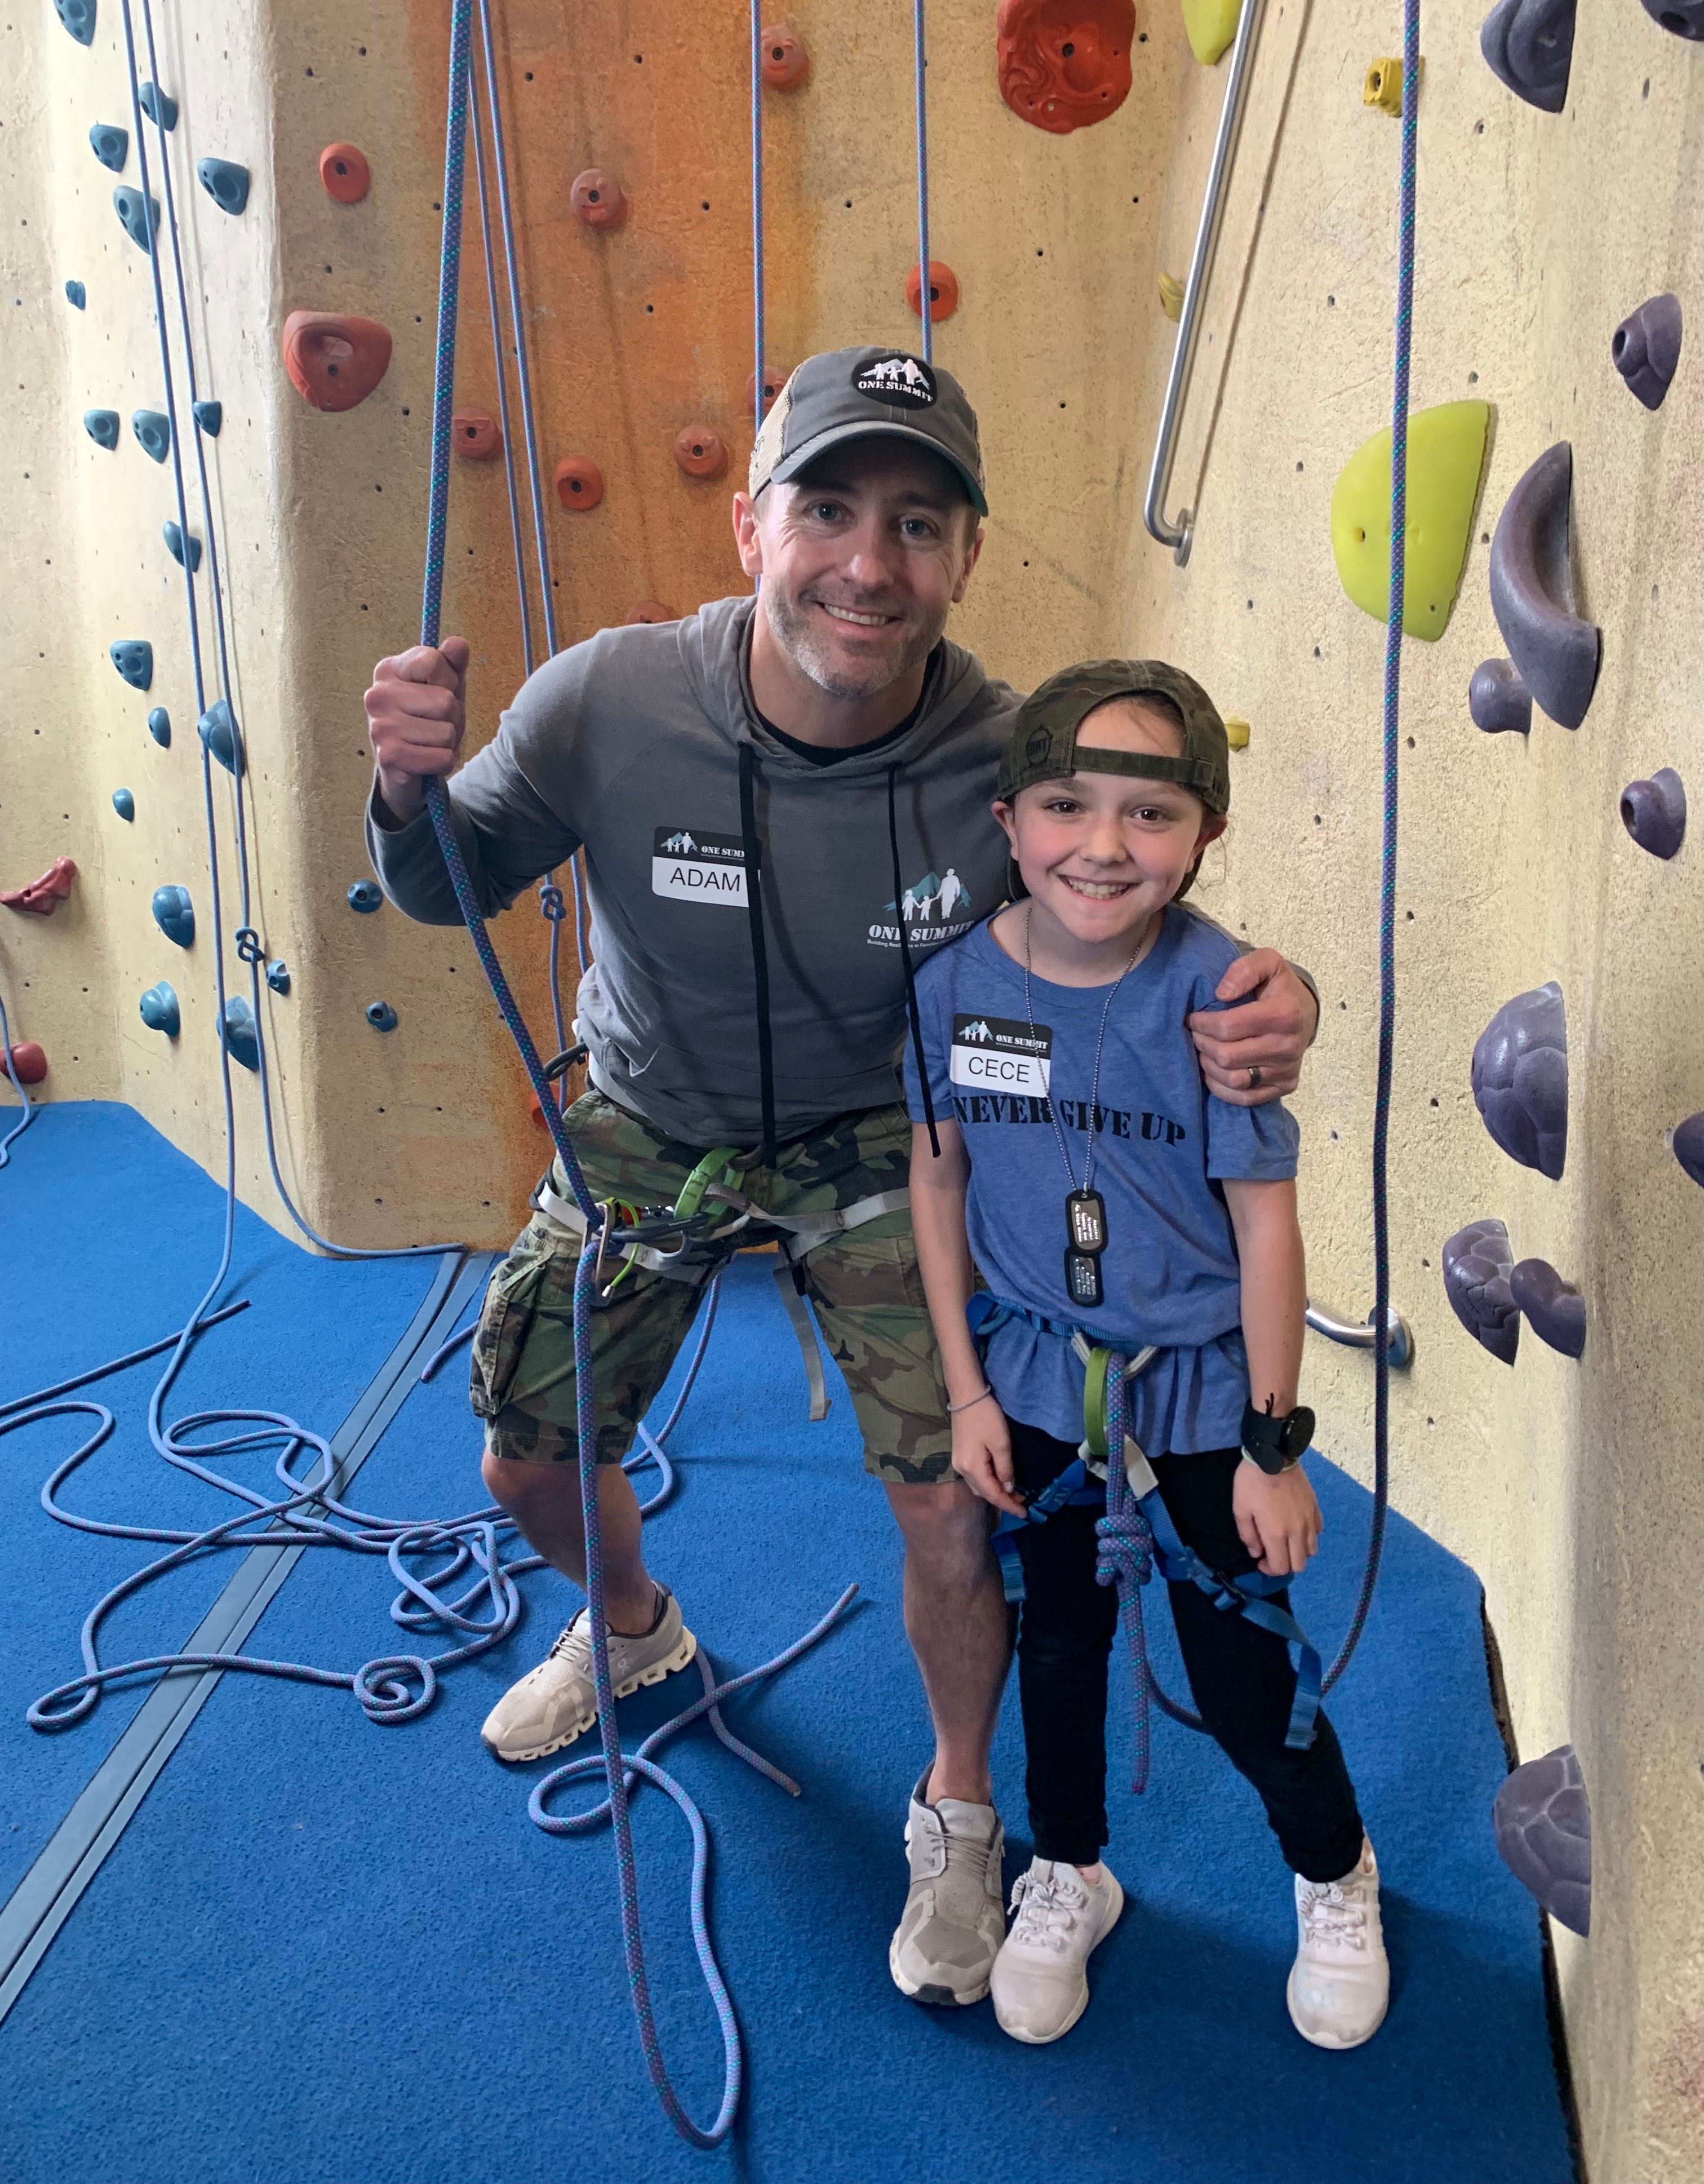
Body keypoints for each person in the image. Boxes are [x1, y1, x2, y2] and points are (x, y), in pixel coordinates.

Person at [360, 346, 1323, 2008]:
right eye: (829, 508)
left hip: (892, 1142)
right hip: (652, 1117)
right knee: (526, 1464)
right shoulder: (606, 698)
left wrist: (1275, 995)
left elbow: (1130, 902)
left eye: (921, 523)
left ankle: (959, 1809)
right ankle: (639, 1624)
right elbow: (448, 888)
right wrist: (403, 785)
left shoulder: (1001, 755)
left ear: (963, 557)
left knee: (961, 1497)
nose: (871, 563)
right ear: (750, 526)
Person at [904, 660, 1388, 2050]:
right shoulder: (951, 991)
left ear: (1206, 834)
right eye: (1067, 805)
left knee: (1243, 1668)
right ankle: (1069, 1867)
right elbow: (938, 1184)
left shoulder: (1224, 998)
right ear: (1009, 819)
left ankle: (1333, 1868)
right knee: (1056, 1644)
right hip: (1040, 1381)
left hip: (1201, 1395)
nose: (1104, 848)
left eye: (1152, 815)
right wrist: (970, 1388)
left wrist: (1270, 1446)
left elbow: (1270, 1233)